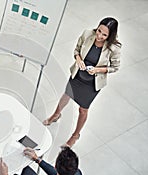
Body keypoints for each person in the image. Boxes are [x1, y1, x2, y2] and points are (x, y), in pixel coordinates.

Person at [43, 17, 122, 147]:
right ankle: (56, 115)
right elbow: (77, 49)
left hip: (92, 82)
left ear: (110, 36)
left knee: (83, 110)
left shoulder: (114, 48)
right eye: (99, 31)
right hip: (78, 74)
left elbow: (115, 67)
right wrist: (78, 59)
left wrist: (98, 69)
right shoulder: (87, 34)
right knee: (66, 95)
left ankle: (75, 135)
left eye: (104, 34)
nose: (99, 36)